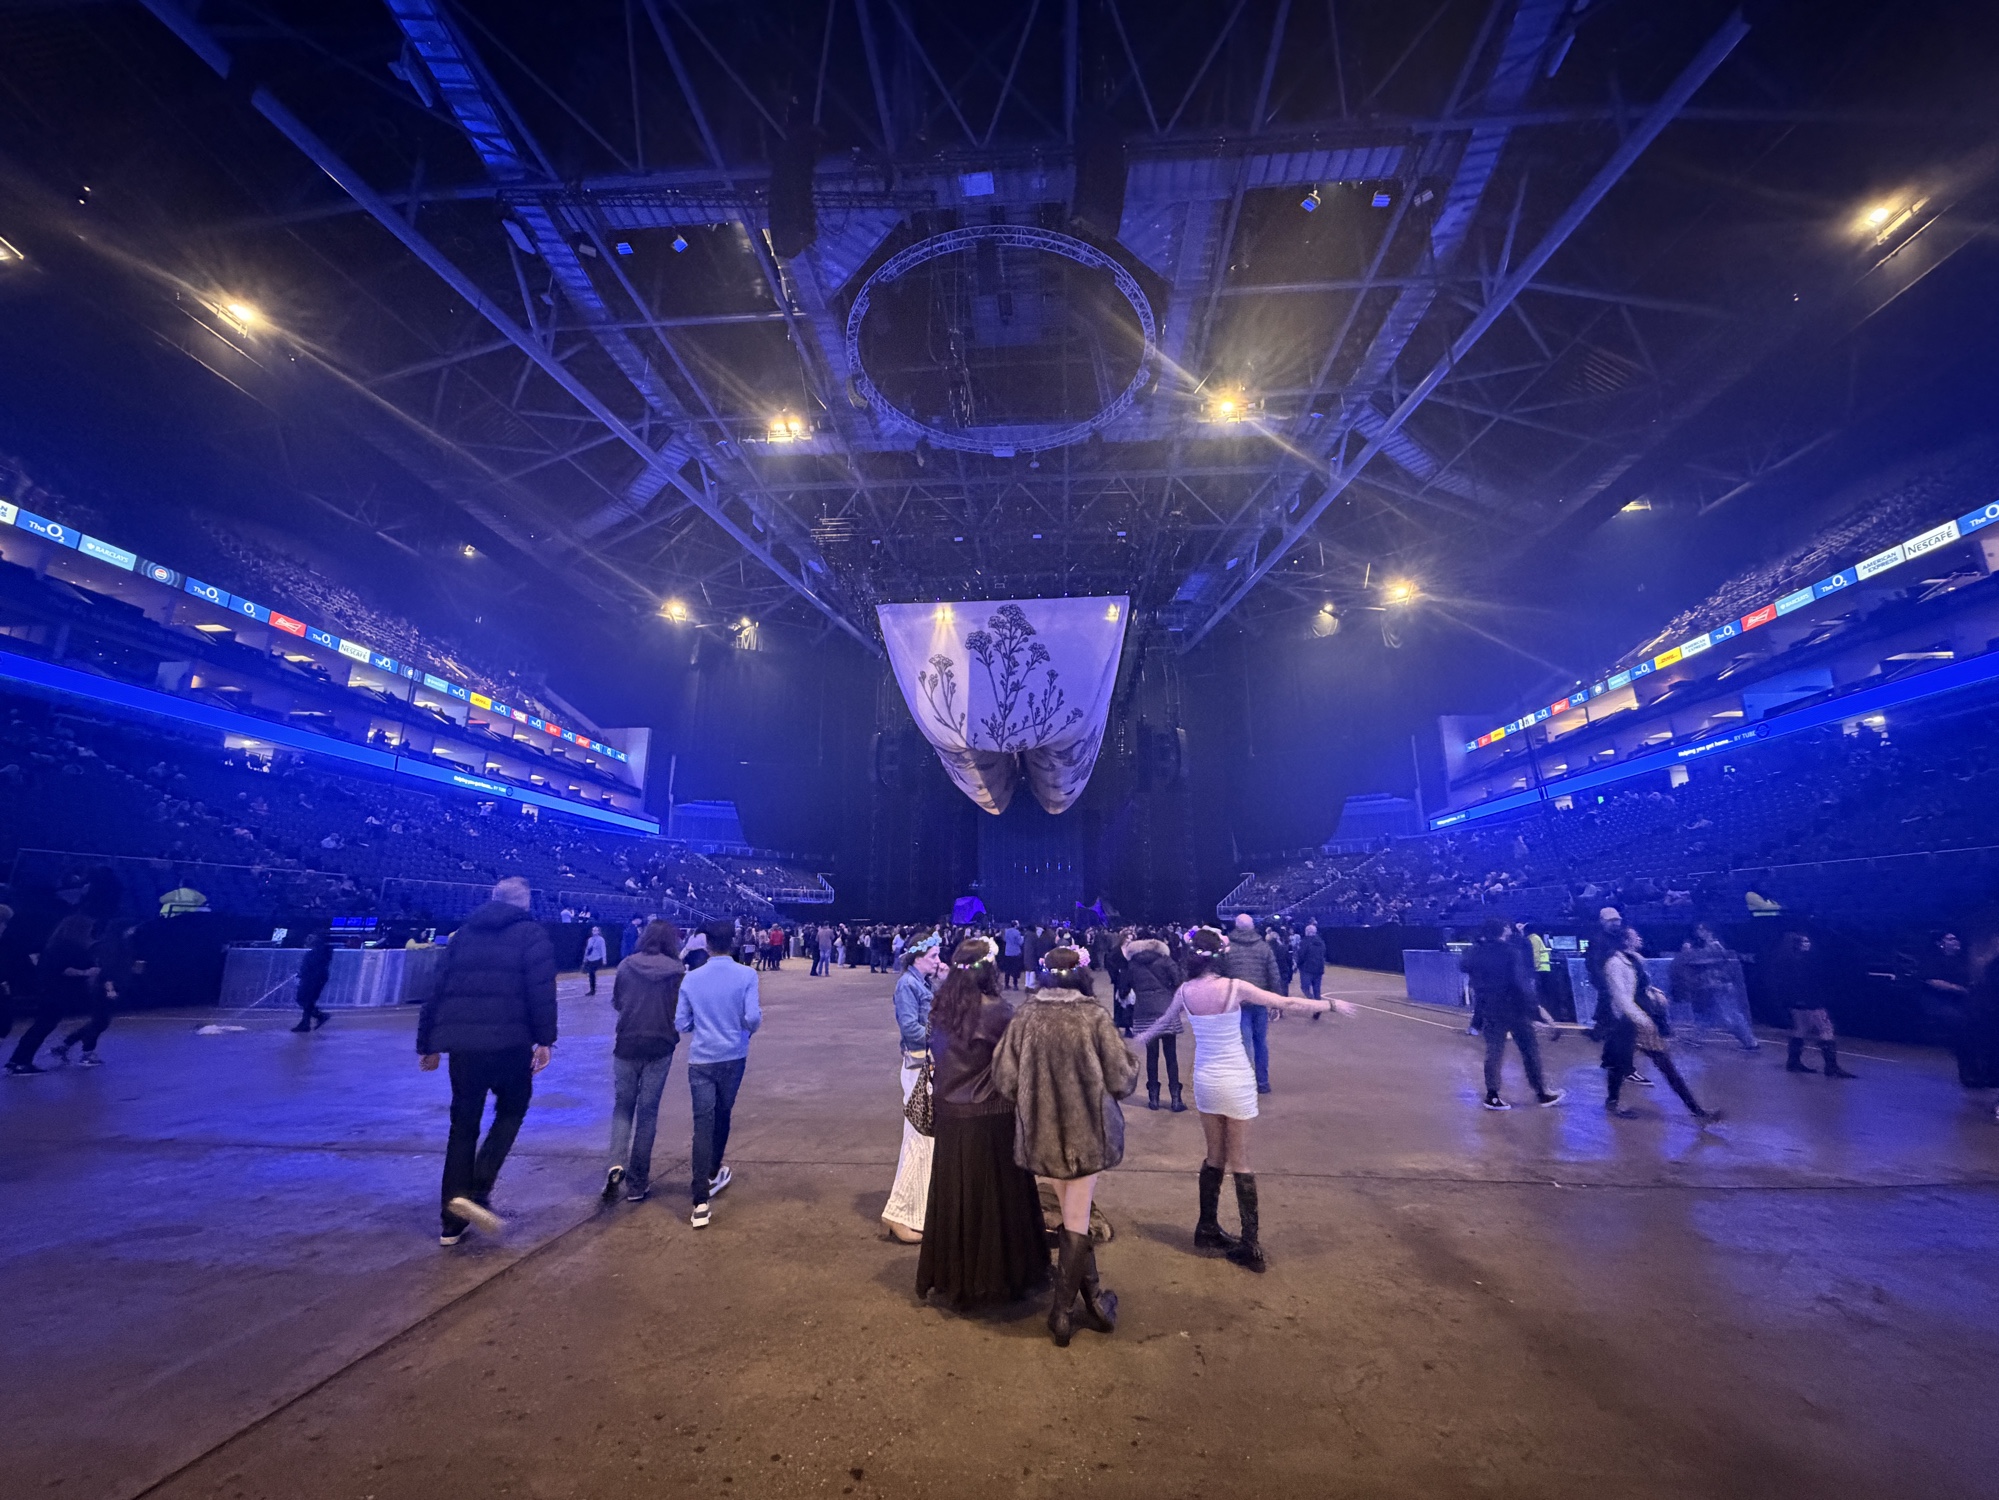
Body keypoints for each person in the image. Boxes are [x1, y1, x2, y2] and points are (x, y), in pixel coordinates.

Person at [1133, 927, 1342, 1273]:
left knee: (1214, 1156)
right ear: (1222, 955)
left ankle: (1207, 1228)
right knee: (1240, 1161)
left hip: (1206, 1081)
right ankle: (1249, 1243)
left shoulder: (1185, 991)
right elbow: (1286, 1002)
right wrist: (1330, 1004)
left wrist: (1139, 1039)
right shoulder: (1234, 987)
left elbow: (1163, 1023)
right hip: (1236, 1079)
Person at [991, 945, 1139, 1346]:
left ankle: (1095, 1300)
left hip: (1042, 1135)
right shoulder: (1093, 1016)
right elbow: (1122, 1079)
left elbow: (1004, 1078)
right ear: (1081, 974)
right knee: (1076, 1219)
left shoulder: (1025, 1016)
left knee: (1075, 1216)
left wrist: (1033, 1097)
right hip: (1086, 1134)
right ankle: (1061, 1314)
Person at [417, 876, 558, 1245]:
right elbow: (541, 992)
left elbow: (436, 990)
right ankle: (478, 1189)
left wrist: (427, 1044)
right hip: (510, 1044)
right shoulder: (532, 935)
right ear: (525, 903)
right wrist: (545, 1040)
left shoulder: (462, 935)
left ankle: (451, 1220)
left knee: (462, 1126)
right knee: (512, 1110)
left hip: (464, 1049)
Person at [916, 936, 1048, 1310]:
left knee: (956, 1198)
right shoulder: (1000, 1011)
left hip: (950, 1117)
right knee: (996, 1201)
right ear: (989, 969)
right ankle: (1000, 1278)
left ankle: (955, 1277)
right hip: (992, 1117)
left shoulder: (940, 1008)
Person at [676, 918, 762, 1228]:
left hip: (701, 1058)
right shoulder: (747, 975)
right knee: (723, 1114)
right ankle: (713, 1171)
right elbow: (752, 1017)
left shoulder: (691, 979)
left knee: (703, 1123)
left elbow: (682, 1022)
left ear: (707, 944)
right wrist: (743, 1030)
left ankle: (700, 1201)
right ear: (733, 942)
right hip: (733, 1055)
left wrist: (701, 1026)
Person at [1600, 925, 1722, 1124]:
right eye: (1634, 936)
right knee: (1621, 1065)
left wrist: (1654, 993)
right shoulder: (1615, 964)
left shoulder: (1635, 960)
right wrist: (1642, 1020)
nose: (1639, 938)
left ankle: (1696, 1109)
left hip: (1640, 1019)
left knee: (1662, 1064)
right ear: (1625, 941)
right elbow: (1622, 998)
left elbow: (1640, 987)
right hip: (1627, 1022)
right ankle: (1613, 1102)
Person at [604, 920, 684, 1204]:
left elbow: (617, 1002)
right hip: (660, 1043)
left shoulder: (626, 965)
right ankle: (637, 1183)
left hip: (627, 1041)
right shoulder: (677, 971)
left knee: (622, 1107)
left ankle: (616, 1162)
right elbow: (679, 1010)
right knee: (647, 1113)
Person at [1460, 919, 1563, 1110]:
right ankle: (1541, 1092)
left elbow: (1464, 966)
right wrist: (1537, 1011)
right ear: (1502, 930)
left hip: (1489, 1009)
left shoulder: (1475, 952)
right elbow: (1520, 984)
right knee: (1529, 1050)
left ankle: (1492, 1095)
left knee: (1494, 1052)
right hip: (1514, 1009)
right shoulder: (1511, 952)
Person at [883, 932, 945, 1244]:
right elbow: (909, 1028)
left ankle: (913, 1211)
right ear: (918, 957)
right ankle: (899, 1213)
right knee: (918, 1139)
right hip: (917, 1067)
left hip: (926, 1066)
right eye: (933, 956)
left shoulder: (923, 983)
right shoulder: (907, 985)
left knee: (922, 1140)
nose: (938, 961)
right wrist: (943, 1037)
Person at [7, 914, 99, 1075]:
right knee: (43, 1026)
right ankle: (21, 1061)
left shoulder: (55, 944)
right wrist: (86, 972)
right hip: (57, 992)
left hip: (52, 991)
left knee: (42, 1026)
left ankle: (18, 1060)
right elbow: (64, 969)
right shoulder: (67, 947)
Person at [1765, 930, 1854, 1078]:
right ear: (1798, 944)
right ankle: (1831, 1066)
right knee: (1825, 1028)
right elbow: (1812, 982)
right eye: (1805, 942)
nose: (1808, 944)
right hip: (1810, 999)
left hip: (1794, 1000)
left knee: (1801, 1028)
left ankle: (1793, 1062)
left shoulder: (1784, 960)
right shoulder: (1805, 961)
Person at [51, 921, 141, 1066]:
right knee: (100, 1021)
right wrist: (110, 988)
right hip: (105, 987)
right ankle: (86, 1053)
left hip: (114, 985)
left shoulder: (123, 945)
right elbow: (106, 970)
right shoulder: (110, 946)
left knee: (99, 1021)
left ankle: (65, 1046)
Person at [1217, 913, 1282, 1093]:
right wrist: (1276, 1002)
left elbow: (1220, 975)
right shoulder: (1264, 947)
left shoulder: (1227, 948)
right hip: (1259, 1000)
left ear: (1236, 926)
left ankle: (1246, 1081)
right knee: (1260, 1042)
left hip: (1237, 1002)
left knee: (1244, 1043)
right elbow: (1274, 975)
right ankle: (1262, 1082)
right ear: (1253, 926)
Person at [1122, 929, 1186, 1111]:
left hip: (1144, 1011)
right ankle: (1175, 1099)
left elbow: (1123, 989)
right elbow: (1179, 980)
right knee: (1171, 1055)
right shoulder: (1166, 960)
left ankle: (1153, 1099)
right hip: (1166, 1010)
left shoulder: (1132, 964)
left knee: (1152, 1055)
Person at [1670, 924, 1758, 1051]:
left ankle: (1750, 1042)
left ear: (1709, 931)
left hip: (1720, 987)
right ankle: (1695, 1037)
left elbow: (1707, 961)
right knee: (1704, 1014)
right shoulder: (1706, 946)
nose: (1698, 932)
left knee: (1730, 1016)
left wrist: (1689, 954)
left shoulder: (1716, 946)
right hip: (1709, 987)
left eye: (1701, 929)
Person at [291, 930, 333, 1033]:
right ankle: (310, 1020)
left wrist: (304, 972)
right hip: (312, 978)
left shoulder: (319, 952)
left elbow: (313, 965)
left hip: (314, 979)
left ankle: (308, 1021)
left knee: (306, 999)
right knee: (305, 1000)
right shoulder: (320, 951)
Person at [1297, 922, 1327, 1003]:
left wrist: (1298, 964)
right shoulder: (1321, 941)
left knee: (1304, 987)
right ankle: (1318, 1005)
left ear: (1307, 932)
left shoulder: (1305, 941)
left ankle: (1312, 1001)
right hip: (1319, 968)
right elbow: (1324, 953)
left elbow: (1301, 955)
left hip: (1307, 968)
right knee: (1317, 990)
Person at [582, 925, 608, 994]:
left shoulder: (601, 939)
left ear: (598, 931)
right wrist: (585, 958)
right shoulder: (590, 939)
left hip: (597, 958)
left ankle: (592, 989)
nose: (594, 931)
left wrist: (604, 959)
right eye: (593, 930)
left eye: (596, 930)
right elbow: (587, 949)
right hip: (590, 958)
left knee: (592, 973)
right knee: (590, 974)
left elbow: (603, 949)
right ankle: (592, 989)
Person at [1000, 920, 1025, 990]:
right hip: (1015, 953)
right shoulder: (1017, 932)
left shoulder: (1007, 931)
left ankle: (1006, 985)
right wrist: (1022, 938)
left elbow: (1004, 940)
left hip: (1007, 952)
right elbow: (1020, 942)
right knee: (1015, 970)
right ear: (1016, 925)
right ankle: (1015, 985)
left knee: (1007, 970)